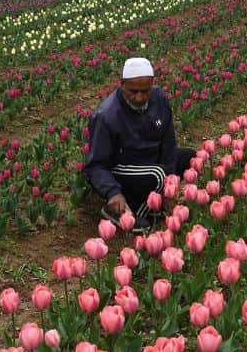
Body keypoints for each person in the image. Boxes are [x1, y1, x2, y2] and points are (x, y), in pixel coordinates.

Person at [83, 57, 194, 232]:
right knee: (159, 175)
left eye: (145, 91)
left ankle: (154, 203)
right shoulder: (107, 116)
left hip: (149, 161)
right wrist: (112, 192)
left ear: (152, 85)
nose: (139, 97)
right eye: (133, 91)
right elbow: (96, 165)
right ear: (122, 84)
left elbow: (168, 143)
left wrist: (170, 186)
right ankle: (125, 213)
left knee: (190, 157)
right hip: (122, 169)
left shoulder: (159, 99)